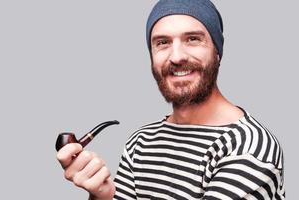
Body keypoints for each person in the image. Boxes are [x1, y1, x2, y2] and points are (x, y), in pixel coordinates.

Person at [57, 0, 285, 199]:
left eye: (193, 39)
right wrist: (102, 196)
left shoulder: (249, 148)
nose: (176, 57)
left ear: (217, 52)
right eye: (162, 43)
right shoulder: (140, 142)